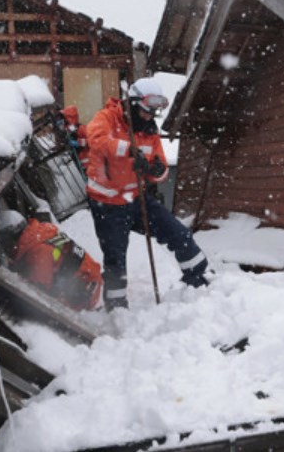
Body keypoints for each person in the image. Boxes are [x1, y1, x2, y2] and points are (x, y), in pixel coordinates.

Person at [85, 77, 209, 311]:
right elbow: (97, 140)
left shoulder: (150, 131)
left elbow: (160, 164)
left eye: (153, 113)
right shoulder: (107, 117)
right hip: (107, 205)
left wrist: (155, 170)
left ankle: (199, 281)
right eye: (145, 112)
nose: (149, 117)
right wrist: (129, 150)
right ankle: (117, 308)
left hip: (137, 200)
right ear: (132, 104)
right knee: (115, 259)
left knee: (179, 233)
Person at [60, 105, 90, 172]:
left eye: (65, 118)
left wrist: (78, 142)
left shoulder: (81, 128)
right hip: (78, 165)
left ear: (69, 118)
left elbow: (94, 141)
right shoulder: (68, 130)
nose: (63, 120)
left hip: (88, 166)